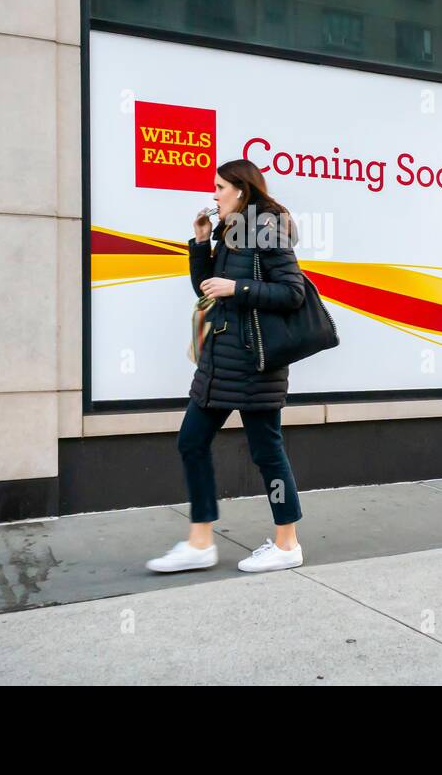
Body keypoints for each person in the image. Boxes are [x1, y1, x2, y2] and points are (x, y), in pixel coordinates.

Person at [146, 158, 307, 573]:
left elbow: (292, 294)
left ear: (240, 189)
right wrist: (200, 244)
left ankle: (288, 543)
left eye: (220, 187)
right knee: (191, 442)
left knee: (266, 452)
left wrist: (239, 287)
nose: (214, 194)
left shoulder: (268, 230)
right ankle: (200, 541)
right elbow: (205, 291)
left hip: (254, 364)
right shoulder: (230, 233)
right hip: (218, 360)